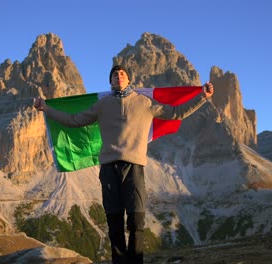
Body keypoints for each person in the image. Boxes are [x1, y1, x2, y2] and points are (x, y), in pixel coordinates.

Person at [33, 65, 214, 264]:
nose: (118, 76)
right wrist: (47, 109)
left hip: (134, 168)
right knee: (114, 221)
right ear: (110, 82)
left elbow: (176, 113)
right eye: (114, 75)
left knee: (136, 221)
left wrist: (202, 97)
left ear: (128, 80)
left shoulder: (145, 102)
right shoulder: (102, 105)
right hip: (109, 168)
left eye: (122, 74)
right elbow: (74, 120)